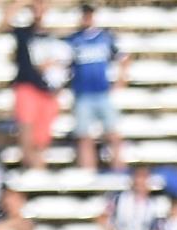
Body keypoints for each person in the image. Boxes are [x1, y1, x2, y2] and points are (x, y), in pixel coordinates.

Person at [5, 0, 68, 171]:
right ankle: (28, 166)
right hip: (27, 86)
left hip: (47, 91)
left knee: (42, 136)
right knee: (26, 127)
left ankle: (38, 170)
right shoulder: (24, 33)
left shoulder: (52, 37)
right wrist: (23, 2)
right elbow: (6, 20)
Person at [67, 2, 129, 171]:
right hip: (82, 94)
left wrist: (121, 79)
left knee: (113, 134)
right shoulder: (73, 40)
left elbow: (123, 57)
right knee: (84, 136)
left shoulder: (106, 38)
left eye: (89, 15)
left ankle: (119, 170)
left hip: (102, 92)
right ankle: (88, 172)